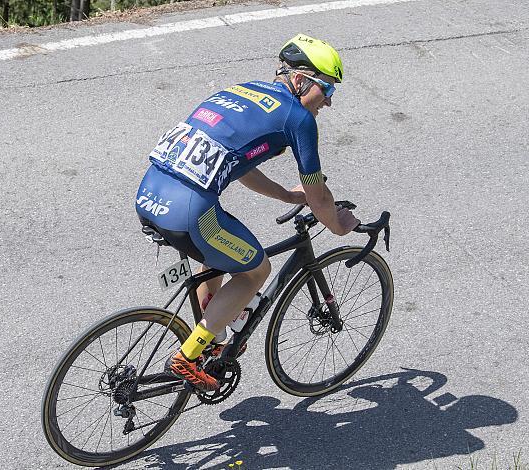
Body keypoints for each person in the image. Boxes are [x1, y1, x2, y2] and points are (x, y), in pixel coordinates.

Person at [135, 34, 360, 391]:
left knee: (218, 254)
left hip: (149, 195)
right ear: (300, 80)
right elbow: (318, 196)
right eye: (327, 89)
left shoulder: (241, 92)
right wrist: (338, 225)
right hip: (190, 211)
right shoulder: (297, 118)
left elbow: (239, 164)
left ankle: (212, 340)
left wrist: (287, 195)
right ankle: (188, 357)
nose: (329, 102)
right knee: (256, 270)